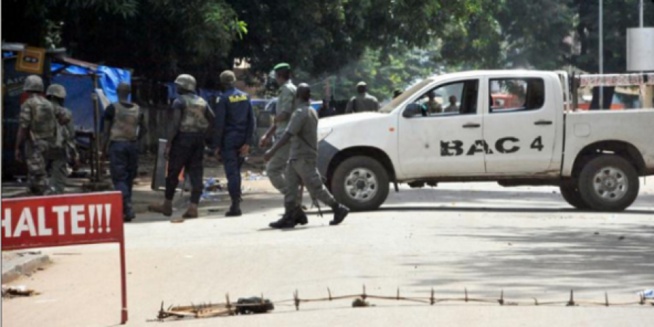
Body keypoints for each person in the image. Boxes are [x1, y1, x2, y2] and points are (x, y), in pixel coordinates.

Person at [264, 83, 349, 229]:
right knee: (291, 189)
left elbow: (288, 134)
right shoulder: (311, 111)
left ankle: (338, 208)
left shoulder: (300, 113)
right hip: (297, 156)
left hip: (303, 157)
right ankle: (291, 216)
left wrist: (271, 151)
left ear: (297, 96)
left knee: (315, 187)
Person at [149, 74, 214, 222]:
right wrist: (204, 136)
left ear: (184, 86)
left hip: (182, 140)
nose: (176, 87)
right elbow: (212, 119)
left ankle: (167, 204)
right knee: (196, 173)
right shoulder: (202, 102)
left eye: (178, 85)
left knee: (173, 172)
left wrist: (168, 143)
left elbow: (175, 124)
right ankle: (193, 206)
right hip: (198, 141)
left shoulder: (179, 101)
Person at [212, 70, 255, 217]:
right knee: (236, 171)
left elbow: (220, 124)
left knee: (232, 173)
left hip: (229, 140)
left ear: (222, 83)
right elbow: (252, 121)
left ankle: (235, 205)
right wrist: (248, 142)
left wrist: (216, 145)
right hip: (243, 140)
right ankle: (236, 200)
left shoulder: (223, 99)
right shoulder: (245, 96)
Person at [102, 83, 145, 222]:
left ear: (117, 91)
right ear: (129, 92)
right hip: (132, 145)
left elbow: (106, 131)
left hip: (118, 145)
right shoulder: (138, 109)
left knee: (119, 178)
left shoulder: (112, 108)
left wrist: (103, 149)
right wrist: (135, 139)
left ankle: (127, 207)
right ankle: (126, 208)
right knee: (129, 178)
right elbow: (144, 130)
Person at [15, 75, 57, 195]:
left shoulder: (28, 104)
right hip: (49, 143)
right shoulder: (49, 104)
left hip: (34, 144)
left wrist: (17, 147)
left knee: (38, 176)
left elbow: (23, 127)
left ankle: (44, 200)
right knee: (39, 172)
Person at [259, 63, 296, 195]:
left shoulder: (287, 89)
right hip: (285, 134)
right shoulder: (286, 89)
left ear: (279, 75)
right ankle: (293, 198)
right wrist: (267, 135)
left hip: (286, 137)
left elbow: (284, 114)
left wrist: (276, 119)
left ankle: (291, 196)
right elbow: (280, 119)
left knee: (272, 170)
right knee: (288, 170)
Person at [46, 84, 79, 194]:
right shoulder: (65, 112)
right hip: (58, 150)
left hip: (39, 149)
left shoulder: (37, 109)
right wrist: (75, 155)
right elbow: (71, 135)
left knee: (40, 181)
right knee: (57, 183)